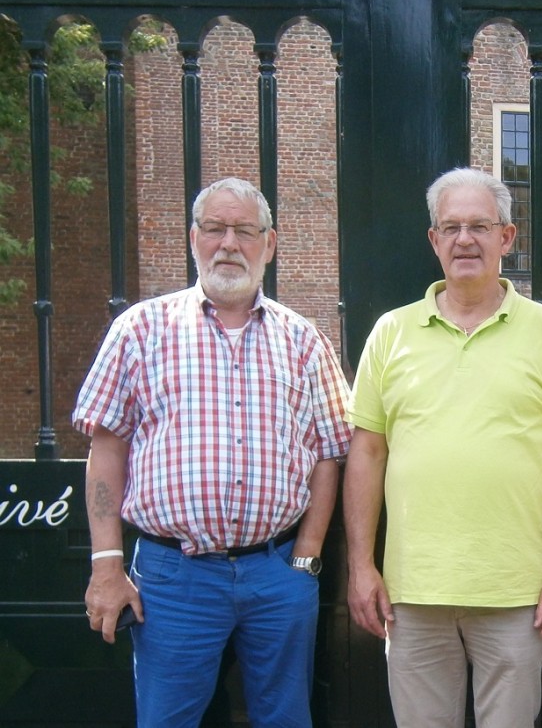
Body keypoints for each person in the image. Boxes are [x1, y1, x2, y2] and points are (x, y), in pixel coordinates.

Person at [73, 177, 353, 728]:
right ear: (193, 238)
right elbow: (106, 446)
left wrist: (307, 556)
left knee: (286, 718)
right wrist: (106, 565)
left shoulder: (303, 340)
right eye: (215, 229)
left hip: (278, 573)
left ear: (269, 245)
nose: (229, 243)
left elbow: (329, 451)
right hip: (173, 577)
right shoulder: (140, 329)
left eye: (245, 231)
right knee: (167, 720)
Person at [343, 167, 542, 728]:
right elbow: (366, 454)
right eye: (451, 227)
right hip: (413, 591)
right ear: (433, 240)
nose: (465, 239)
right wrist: (361, 565)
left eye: (480, 226)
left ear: (507, 237)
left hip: (515, 591)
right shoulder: (391, 332)